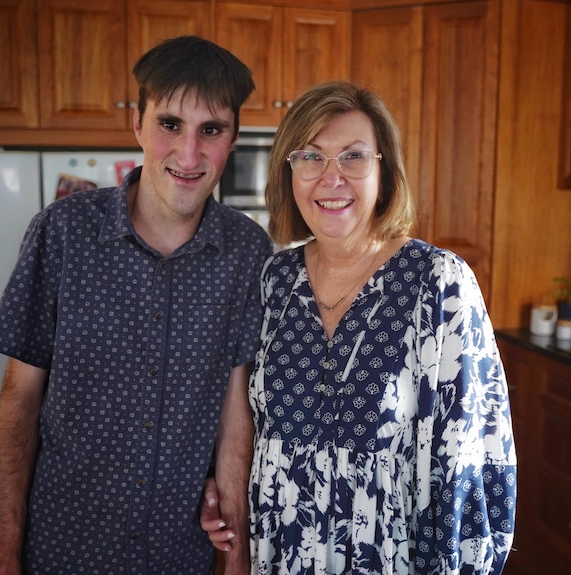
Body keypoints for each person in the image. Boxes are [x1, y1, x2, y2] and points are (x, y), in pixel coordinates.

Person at [0, 35, 273, 575]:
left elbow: (237, 416)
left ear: (232, 138)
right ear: (137, 125)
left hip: (177, 556)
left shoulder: (247, 251)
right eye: (170, 124)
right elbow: (18, 401)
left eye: (211, 130)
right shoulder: (62, 233)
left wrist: (238, 562)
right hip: (60, 550)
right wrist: (3, 548)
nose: (188, 155)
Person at [202, 81, 516, 574]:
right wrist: (215, 495)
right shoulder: (274, 279)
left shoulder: (437, 283)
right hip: (279, 556)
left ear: (383, 170)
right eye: (310, 157)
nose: (331, 178)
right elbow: (248, 429)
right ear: (289, 171)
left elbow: (470, 465)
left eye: (353, 156)